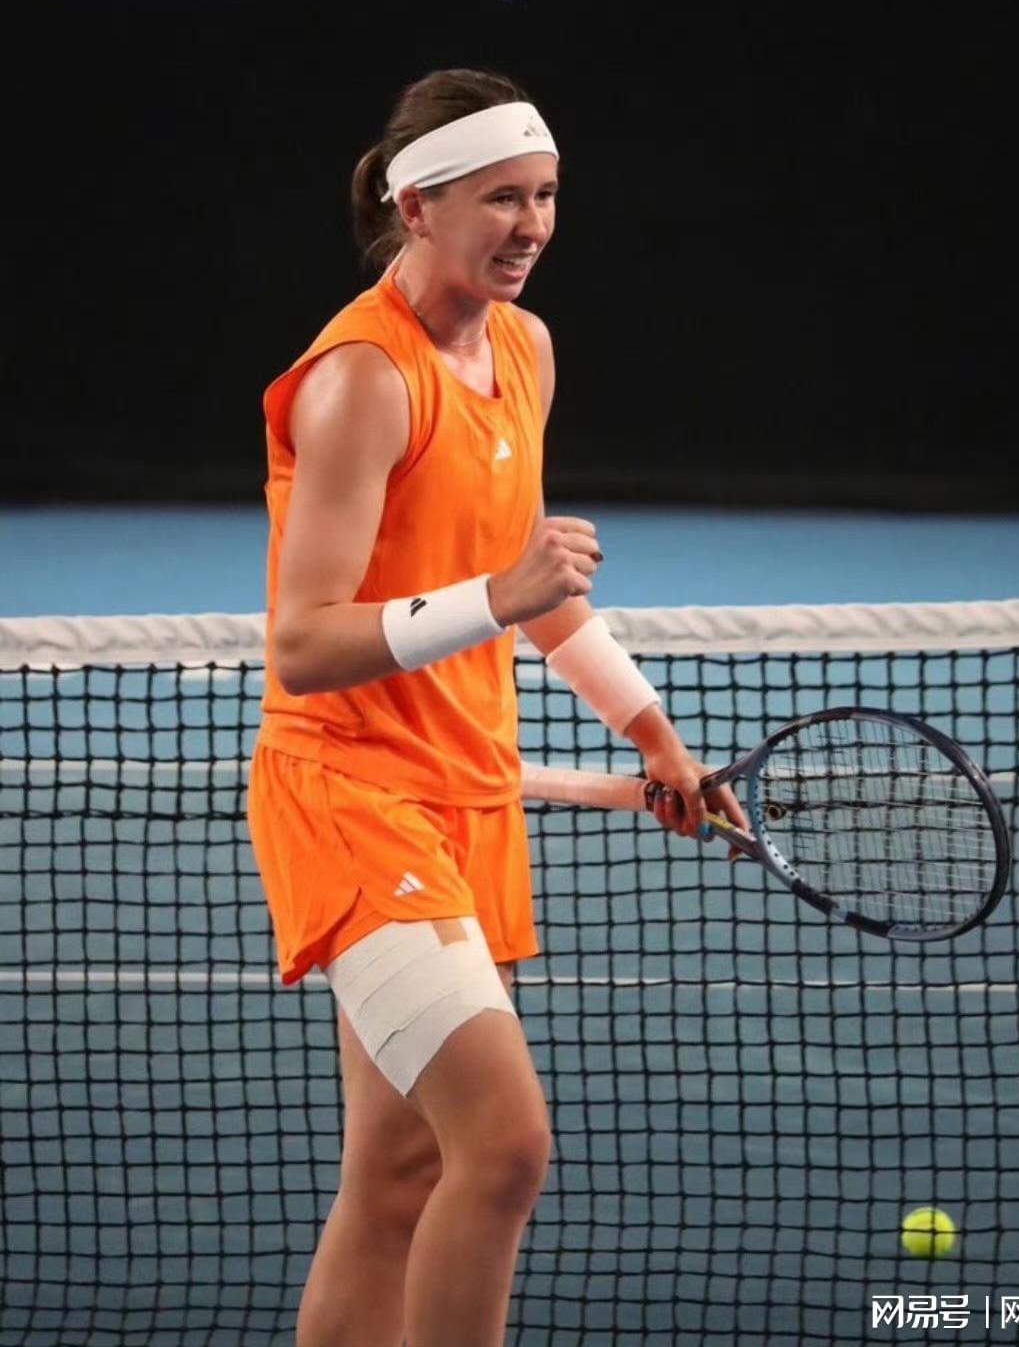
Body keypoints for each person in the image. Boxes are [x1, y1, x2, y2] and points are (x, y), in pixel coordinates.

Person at [247, 66, 746, 1347]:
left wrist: (655, 740)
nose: (531, 226)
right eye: (500, 199)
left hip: (465, 797)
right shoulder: (362, 379)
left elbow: (535, 597)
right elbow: (303, 646)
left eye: (545, 196)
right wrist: (499, 593)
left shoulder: (523, 349)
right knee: (504, 1146)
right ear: (414, 207)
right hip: (351, 800)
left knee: (397, 1175)